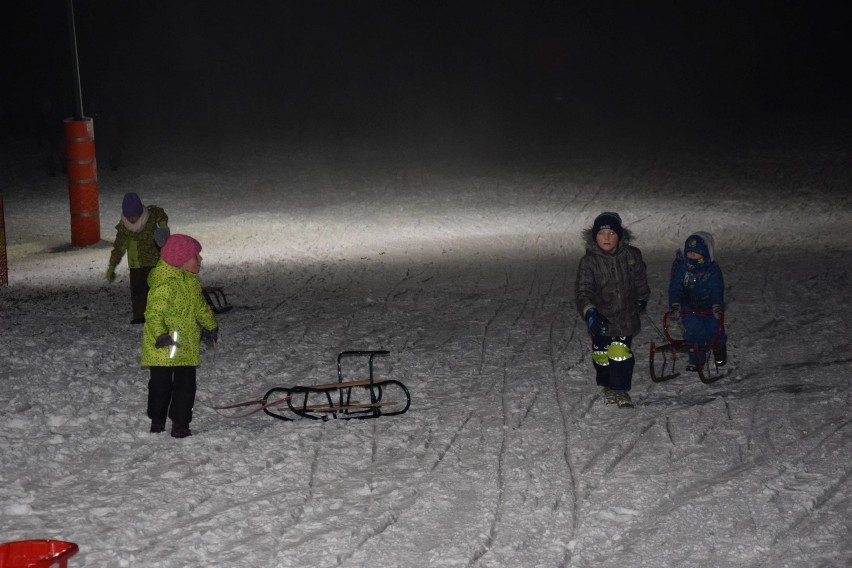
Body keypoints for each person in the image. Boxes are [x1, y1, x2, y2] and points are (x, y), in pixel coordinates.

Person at [141, 234, 218, 438]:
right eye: (196, 256)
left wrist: (211, 325)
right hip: (164, 347)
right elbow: (153, 313)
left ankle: (180, 423)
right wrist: (160, 335)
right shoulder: (165, 284)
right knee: (161, 387)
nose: (200, 260)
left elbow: (200, 307)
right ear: (181, 260)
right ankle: (157, 421)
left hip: (186, 345)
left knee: (186, 386)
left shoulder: (191, 282)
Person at [575, 212, 650, 408]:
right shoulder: (589, 262)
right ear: (594, 237)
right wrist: (590, 311)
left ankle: (621, 389)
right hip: (601, 317)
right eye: (601, 234)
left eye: (611, 233)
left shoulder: (632, 256)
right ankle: (607, 383)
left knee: (620, 353)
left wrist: (642, 297)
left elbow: (640, 279)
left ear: (620, 235)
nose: (607, 238)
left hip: (625, 317)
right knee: (602, 355)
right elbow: (583, 291)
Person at [106, 192, 170, 323]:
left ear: (140, 212)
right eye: (128, 216)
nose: (132, 219)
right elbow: (118, 247)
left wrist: (163, 226)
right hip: (136, 265)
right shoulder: (124, 227)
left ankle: (159, 314)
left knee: (156, 289)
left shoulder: (151, 216)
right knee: (137, 292)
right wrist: (112, 266)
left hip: (153, 261)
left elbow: (160, 212)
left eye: (134, 216)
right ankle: (139, 316)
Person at [667, 231, 727, 371]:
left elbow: (716, 288)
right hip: (689, 305)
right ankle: (697, 359)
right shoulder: (681, 267)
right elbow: (676, 286)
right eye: (690, 252)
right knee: (694, 331)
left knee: (714, 328)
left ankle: (718, 346)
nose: (692, 256)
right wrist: (675, 304)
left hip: (709, 305)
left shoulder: (712, 270)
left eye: (697, 252)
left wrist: (717, 304)